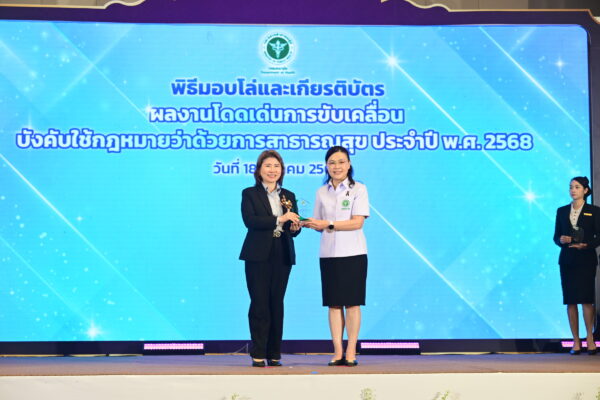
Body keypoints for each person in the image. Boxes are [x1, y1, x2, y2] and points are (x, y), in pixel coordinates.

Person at [304, 146, 369, 366]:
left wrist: (328, 223)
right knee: (333, 304)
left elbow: (357, 222)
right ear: (326, 166)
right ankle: (337, 350)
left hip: (353, 253)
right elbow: (319, 223)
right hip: (328, 254)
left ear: (349, 164)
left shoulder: (359, 189)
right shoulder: (321, 192)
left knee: (352, 304)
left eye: (341, 162)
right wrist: (305, 223)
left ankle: (351, 350)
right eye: (332, 162)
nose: (336, 166)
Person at [239, 150, 301, 367]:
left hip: (282, 253)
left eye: (276, 166)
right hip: (257, 254)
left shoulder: (289, 195)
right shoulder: (249, 193)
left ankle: (274, 353)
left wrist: (294, 227)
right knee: (259, 303)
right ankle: (258, 352)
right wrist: (280, 219)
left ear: (282, 170)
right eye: (268, 166)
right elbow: (250, 221)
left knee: (277, 303)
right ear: (259, 170)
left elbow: (292, 230)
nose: (272, 170)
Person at [553, 176, 599, 355]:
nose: (573, 190)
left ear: (585, 190)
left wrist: (586, 245)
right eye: (571, 187)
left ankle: (590, 339)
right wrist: (561, 240)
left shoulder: (594, 211)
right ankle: (576, 341)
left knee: (587, 299)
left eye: (577, 187)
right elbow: (556, 236)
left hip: (586, 259)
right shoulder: (562, 210)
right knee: (570, 300)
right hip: (567, 260)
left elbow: (599, 236)